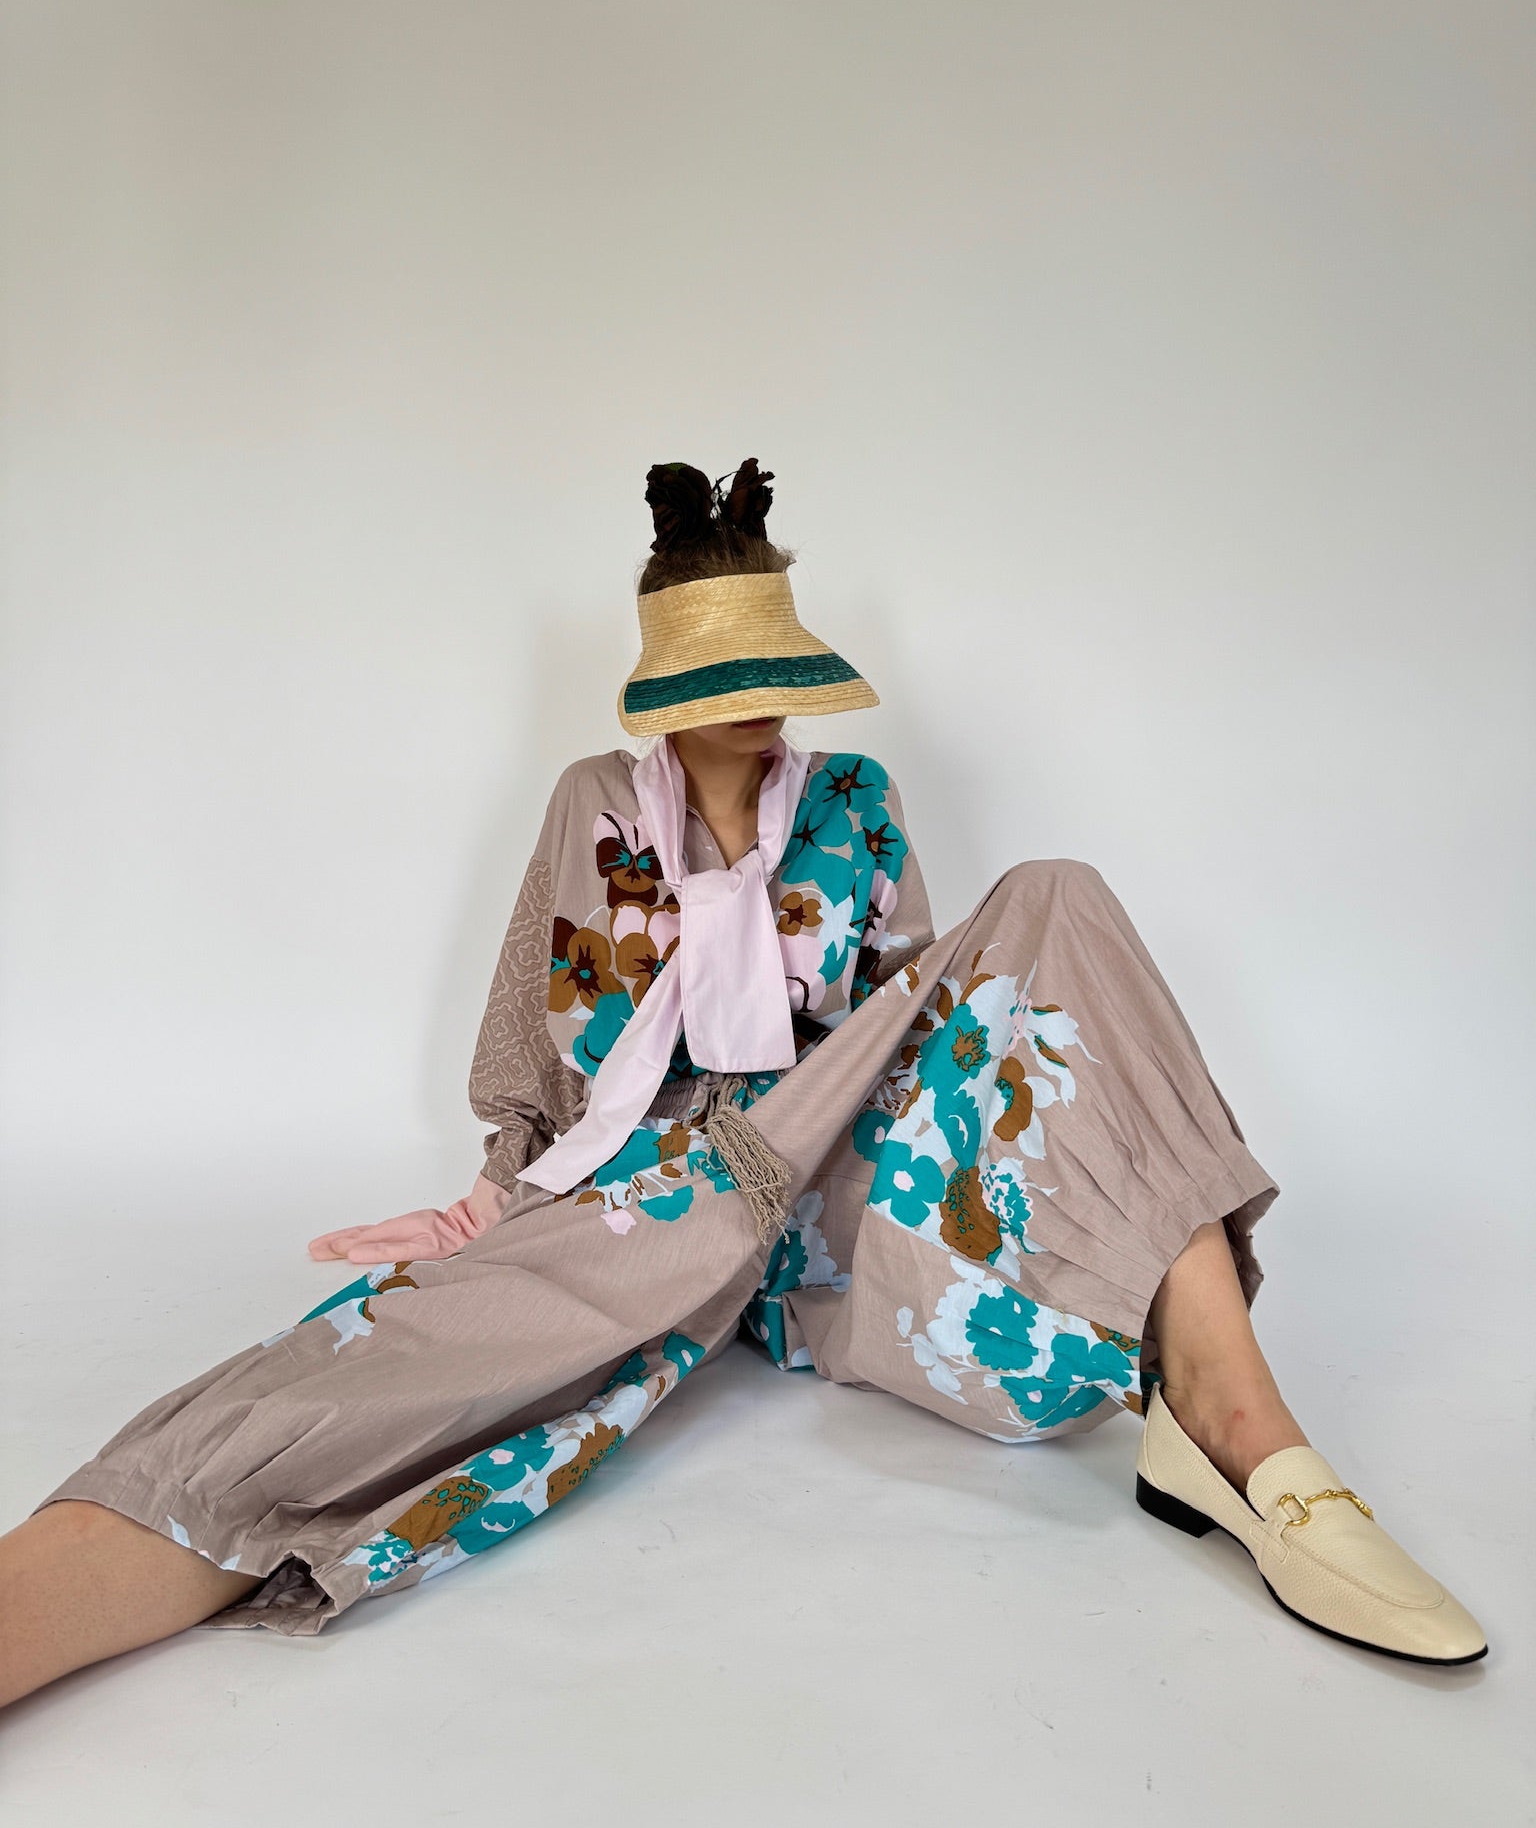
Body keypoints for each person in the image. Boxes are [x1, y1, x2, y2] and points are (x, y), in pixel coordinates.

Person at [0, 458, 1486, 1707]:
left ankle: (1243, 1435)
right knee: (356, 1384)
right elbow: (532, 1026)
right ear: (670, 692)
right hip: (647, 1186)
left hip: (834, 1167)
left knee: (1058, 896)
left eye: (783, 673)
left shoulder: (854, 800)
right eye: (737, 681)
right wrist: (497, 1193)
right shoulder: (595, 805)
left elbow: (932, 1020)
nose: (772, 705)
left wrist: (886, 1096)